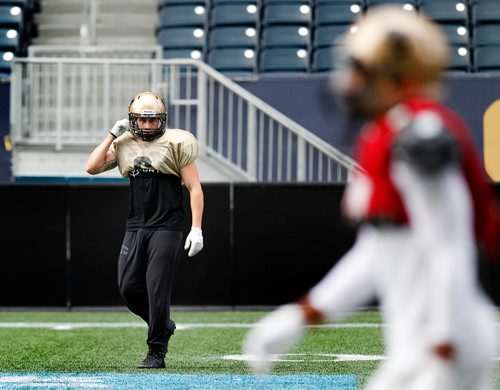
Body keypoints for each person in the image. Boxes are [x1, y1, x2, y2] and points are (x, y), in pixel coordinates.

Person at [243, 7, 499, 390]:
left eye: (359, 70)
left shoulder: (420, 133)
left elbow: (450, 245)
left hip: (446, 339)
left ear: (391, 74)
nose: (348, 81)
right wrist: (305, 313)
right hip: (418, 342)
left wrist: (445, 343)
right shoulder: (384, 133)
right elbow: (379, 249)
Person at [85, 91, 204, 369]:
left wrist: (196, 228)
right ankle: (163, 324)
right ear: (133, 120)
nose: (148, 126)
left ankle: (156, 350)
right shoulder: (125, 143)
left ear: (162, 121)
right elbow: (91, 167)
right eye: (142, 120)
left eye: (153, 121)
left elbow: (194, 187)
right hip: (136, 225)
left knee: (156, 289)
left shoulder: (177, 142)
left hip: (167, 226)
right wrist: (111, 135)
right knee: (128, 287)